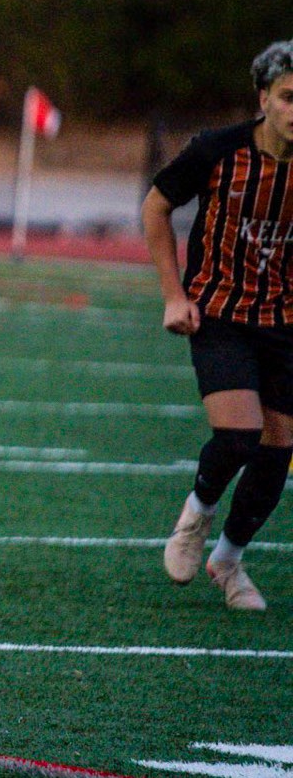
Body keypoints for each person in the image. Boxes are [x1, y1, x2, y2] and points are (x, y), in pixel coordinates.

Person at [143, 39, 293, 611]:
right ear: (265, 99)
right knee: (238, 435)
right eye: (288, 97)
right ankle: (197, 515)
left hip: (285, 320)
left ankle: (228, 560)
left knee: (278, 452)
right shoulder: (218, 150)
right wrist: (173, 294)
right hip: (220, 312)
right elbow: (156, 206)